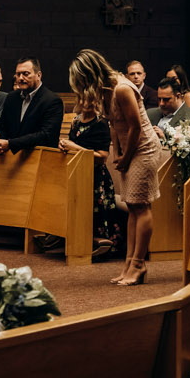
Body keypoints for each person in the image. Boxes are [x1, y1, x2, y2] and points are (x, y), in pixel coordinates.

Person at [69, 49, 164, 286]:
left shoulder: (122, 88)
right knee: (132, 205)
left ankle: (139, 265)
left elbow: (136, 127)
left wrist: (126, 155)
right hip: (129, 150)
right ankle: (129, 263)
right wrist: (118, 153)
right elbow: (114, 125)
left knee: (140, 206)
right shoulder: (105, 91)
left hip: (144, 149)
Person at [61, 75, 126, 261]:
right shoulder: (76, 121)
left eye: (90, 99)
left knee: (96, 215)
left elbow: (102, 157)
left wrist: (74, 148)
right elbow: (71, 145)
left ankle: (103, 244)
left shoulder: (100, 124)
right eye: (82, 98)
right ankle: (77, 241)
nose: (86, 103)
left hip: (97, 179)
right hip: (77, 175)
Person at [0, 58, 64, 156]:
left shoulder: (52, 101)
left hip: (41, 160)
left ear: (39, 75)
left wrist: (10, 144)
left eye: (26, 74)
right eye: (18, 74)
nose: (20, 78)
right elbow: (2, 126)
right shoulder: (12, 97)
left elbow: (46, 135)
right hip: (11, 160)